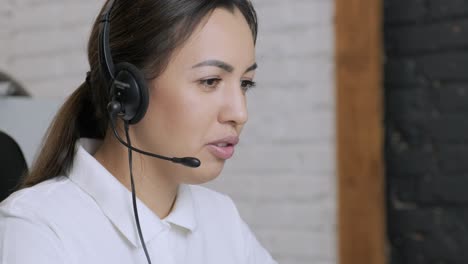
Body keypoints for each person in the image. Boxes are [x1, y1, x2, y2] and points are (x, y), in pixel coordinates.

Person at [0, 0, 278, 263]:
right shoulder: (37, 228)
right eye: (210, 81)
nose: (240, 113)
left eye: (245, 83)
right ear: (128, 91)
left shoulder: (221, 218)